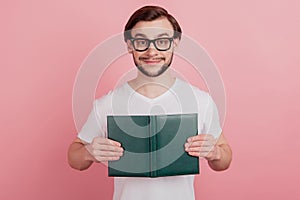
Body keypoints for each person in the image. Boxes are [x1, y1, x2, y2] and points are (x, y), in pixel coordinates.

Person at [68, 5, 232, 200]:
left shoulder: (201, 101)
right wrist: (89, 152)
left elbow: (224, 159)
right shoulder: (107, 104)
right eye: (141, 41)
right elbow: (74, 157)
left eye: (162, 41)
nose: (151, 51)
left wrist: (214, 153)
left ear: (175, 43)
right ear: (129, 45)